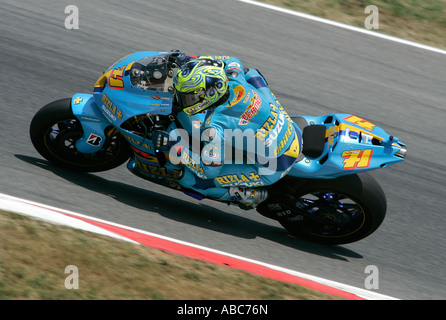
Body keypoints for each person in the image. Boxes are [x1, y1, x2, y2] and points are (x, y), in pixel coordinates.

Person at [167, 53, 302, 210]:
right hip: (291, 131)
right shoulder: (234, 78)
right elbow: (232, 60)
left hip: (275, 165)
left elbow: (208, 171)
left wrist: (176, 147)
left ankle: (249, 195)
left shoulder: (215, 127)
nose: (182, 99)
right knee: (251, 74)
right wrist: (193, 60)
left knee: (192, 180)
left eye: (189, 97)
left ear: (210, 94)